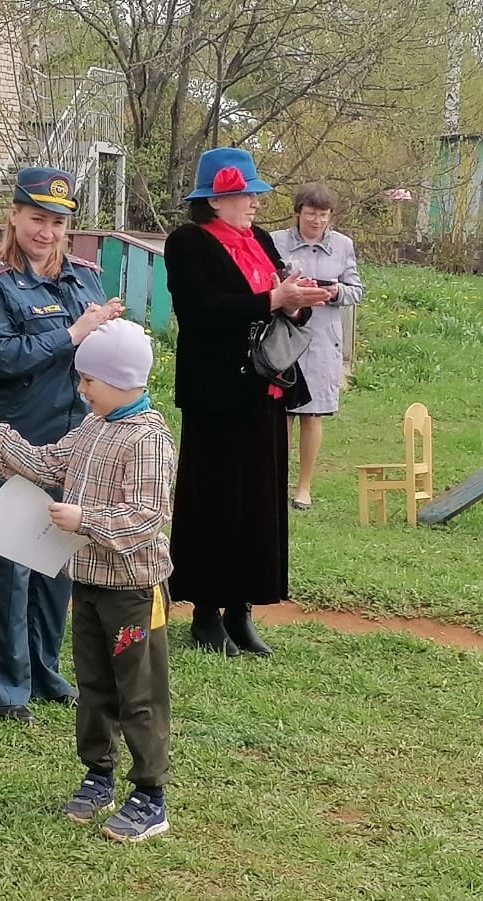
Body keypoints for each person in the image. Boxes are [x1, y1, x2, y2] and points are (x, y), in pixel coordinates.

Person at [0, 320, 177, 843]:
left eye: (88, 381)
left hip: (133, 592)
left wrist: (86, 521)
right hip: (90, 586)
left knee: (139, 692)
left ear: (121, 379)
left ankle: (150, 795)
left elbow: (147, 517)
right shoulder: (92, 428)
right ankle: (98, 776)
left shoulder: (149, 441)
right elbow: (42, 463)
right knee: (94, 687)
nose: (80, 389)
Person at [0, 166, 125, 725]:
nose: (46, 231)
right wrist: (74, 334)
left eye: (57, 221)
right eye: (36, 219)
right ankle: (1, 688)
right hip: (0, 434)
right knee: (5, 557)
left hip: (67, 434)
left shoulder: (83, 277)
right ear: (14, 216)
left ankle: (44, 671)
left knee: (54, 555)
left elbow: (98, 355)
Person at [163, 147, 331, 658]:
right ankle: (206, 612)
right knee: (215, 498)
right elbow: (201, 313)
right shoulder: (187, 243)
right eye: (246, 194)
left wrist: (296, 301)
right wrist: (273, 301)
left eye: (256, 195)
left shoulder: (258, 240)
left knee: (259, 500)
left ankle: (243, 610)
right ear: (216, 199)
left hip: (265, 386)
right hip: (215, 391)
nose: (257, 203)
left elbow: (278, 300)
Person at [271, 183, 365, 510]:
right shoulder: (275, 241)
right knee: (281, 413)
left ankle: (304, 487)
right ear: (298, 212)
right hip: (283, 338)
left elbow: (356, 291)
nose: (316, 221)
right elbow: (264, 282)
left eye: (323, 215)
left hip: (324, 339)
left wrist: (335, 292)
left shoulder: (343, 246)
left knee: (312, 413)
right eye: (311, 214)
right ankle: (275, 482)